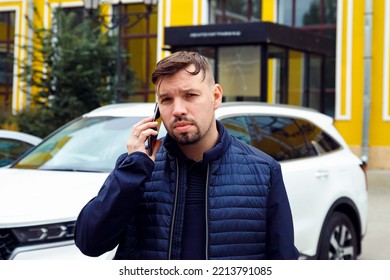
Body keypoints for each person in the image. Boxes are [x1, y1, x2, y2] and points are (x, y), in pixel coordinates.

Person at [74, 51, 299, 260]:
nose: (178, 109)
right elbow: (90, 243)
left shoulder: (264, 170)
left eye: (190, 95)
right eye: (166, 99)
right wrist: (132, 171)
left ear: (216, 96)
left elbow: (283, 260)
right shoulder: (138, 169)